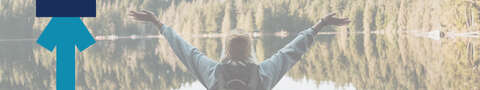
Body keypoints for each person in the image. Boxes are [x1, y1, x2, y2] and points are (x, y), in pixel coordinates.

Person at [129, 10, 350, 90]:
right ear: (249, 51)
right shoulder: (262, 75)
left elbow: (185, 50)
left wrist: (158, 24)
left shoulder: (214, 74)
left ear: (226, 50)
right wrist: (321, 24)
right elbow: (292, 51)